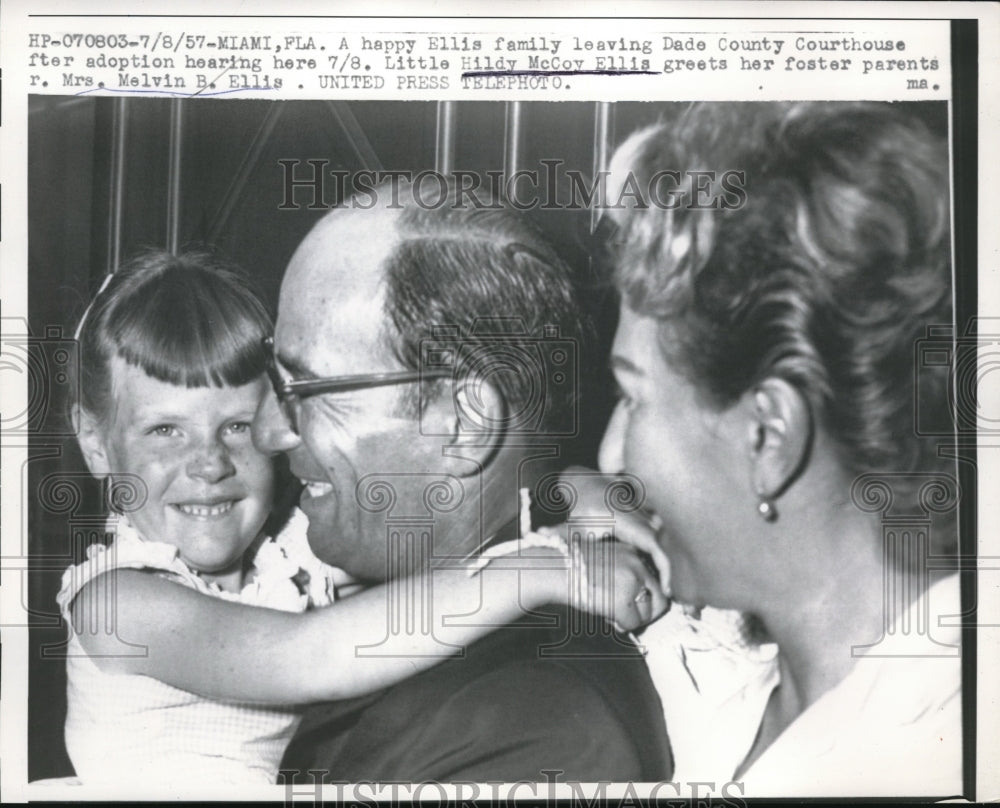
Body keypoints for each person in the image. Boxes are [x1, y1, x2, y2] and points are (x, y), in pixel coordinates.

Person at [59, 249, 667, 786]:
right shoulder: (115, 604)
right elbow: (310, 656)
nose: (210, 463)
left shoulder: (282, 561)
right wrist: (544, 569)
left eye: (238, 426)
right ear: (95, 443)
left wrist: (568, 490)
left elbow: (438, 547)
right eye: (165, 430)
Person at [576, 101, 961, 796]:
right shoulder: (740, 664)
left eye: (632, 399)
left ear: (769, 437)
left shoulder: (917, 760)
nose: (611, 454)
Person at [252, 186, 674, 784]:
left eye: (305, 390)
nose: (268, 432)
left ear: (464, 425)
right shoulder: (308, 573)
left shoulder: (532, 724)